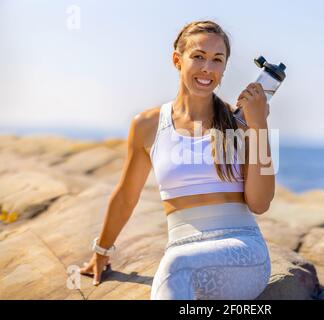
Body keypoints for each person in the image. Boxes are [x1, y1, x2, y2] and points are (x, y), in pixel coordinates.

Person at [80, 20, 275, 300]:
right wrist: (101, 252)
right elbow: (126, 195)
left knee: (174, 268)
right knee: (177, 267)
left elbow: (260, 203)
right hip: (182, 251)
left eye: (217, 60)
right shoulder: (147, 124)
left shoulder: (239, 122)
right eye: (198, 56)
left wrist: (259, 128)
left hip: (243, 252)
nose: (207, 68)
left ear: (224, 68)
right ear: (177, 60)